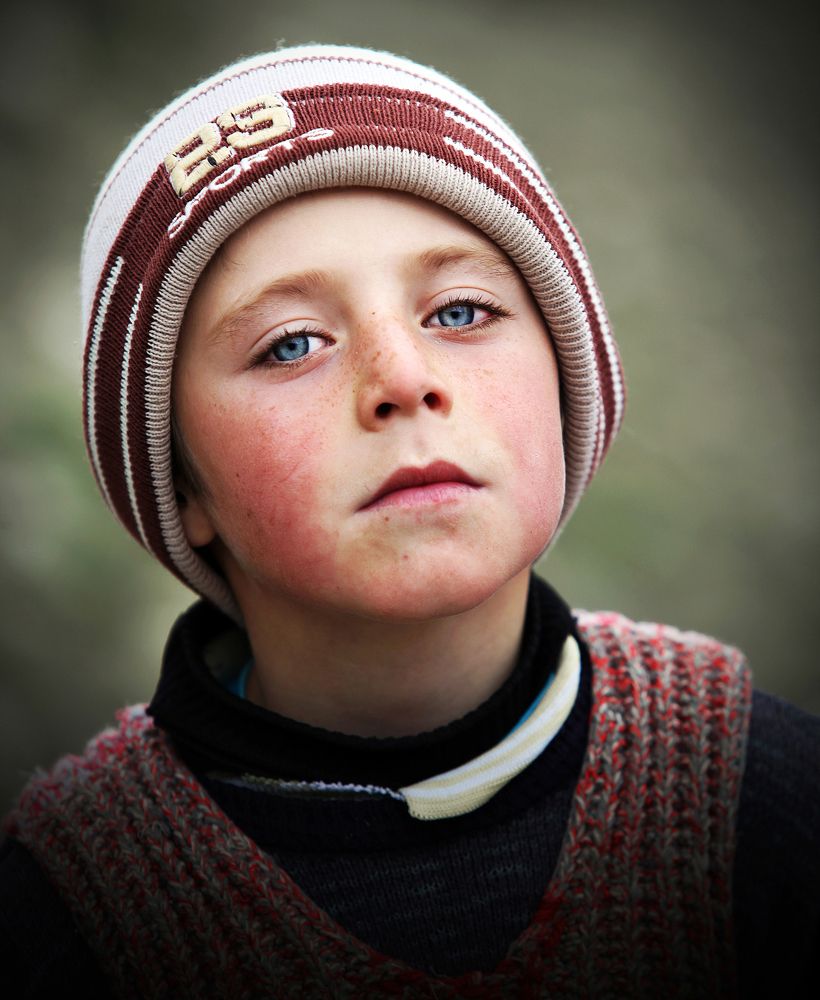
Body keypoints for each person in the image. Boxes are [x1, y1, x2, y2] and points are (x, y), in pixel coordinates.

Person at [1, 44, 817, 999]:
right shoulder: (73, 906)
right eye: (292, 344)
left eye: (462, 311)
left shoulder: (753, 797)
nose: (403, 379)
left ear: (567, 378)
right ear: (182, 485)